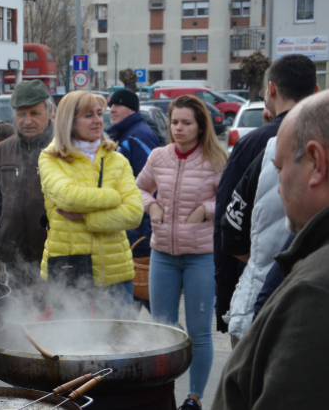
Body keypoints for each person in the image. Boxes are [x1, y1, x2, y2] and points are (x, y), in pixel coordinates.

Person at [212, 90, 329, 409]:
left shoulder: (314, 293)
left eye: (279, 168)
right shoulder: (310, 252)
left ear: (316, 163)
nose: (278, 185)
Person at [214, 54, 318, 338]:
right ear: (316, 91)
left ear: (270, 90)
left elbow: (228, 225)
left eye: (280, 167)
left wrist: (226, 296)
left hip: (261, 307)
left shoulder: (259, 144)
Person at [136, 95, 228, 410]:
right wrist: (153, 206)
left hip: (200, 255)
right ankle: (163, 394)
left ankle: (194, 398)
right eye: (175, 121)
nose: (179, 128)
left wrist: (207, 208)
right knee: (163, 327)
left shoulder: (215, 159)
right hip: (162, 254)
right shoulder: (159, 156)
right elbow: (140, 188)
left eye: (186, 123)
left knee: (199, 332)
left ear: (201, 127)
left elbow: (230, 200)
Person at [39, 91, 143, 319]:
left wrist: (87, 218)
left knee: (121, 346)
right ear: (69, 121)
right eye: (88, 115)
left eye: (99, 113)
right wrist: (114, 197)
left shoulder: (118, 160)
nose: (98, 120)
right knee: (73, 349)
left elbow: (134, 213)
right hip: (70, 269)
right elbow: (67, 197)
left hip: (115, 273)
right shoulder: (50, 158)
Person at [0, 80, 54, 311]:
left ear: (49, 111)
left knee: (54, 320)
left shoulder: (63, 148)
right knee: (16, 319)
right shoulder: (0, 151)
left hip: (52, 255)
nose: (27, 121)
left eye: (35, 113)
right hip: (10, 255)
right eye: (20, 114)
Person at [104, 88, 160, 310]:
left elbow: (152, 185)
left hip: (140, 233)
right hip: (131, 230)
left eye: (119, 105)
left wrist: (148, 231)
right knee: (134, 304)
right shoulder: (124, 134)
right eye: (111, 105)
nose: (113, 109)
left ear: (133, 109)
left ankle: (173, 340)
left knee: (153, 305)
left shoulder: (139, 135)